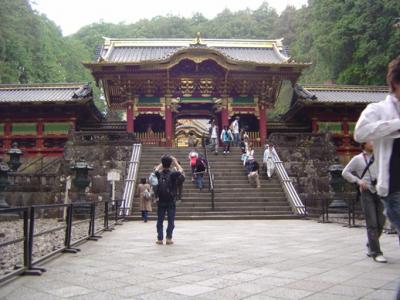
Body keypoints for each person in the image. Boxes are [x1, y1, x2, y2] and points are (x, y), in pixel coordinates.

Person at [354, 56, 400, 298]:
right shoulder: (379, 110)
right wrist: (395, 126)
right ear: (394, 83)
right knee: (374, 225)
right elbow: (359, 132)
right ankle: (374, 249)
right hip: (393, 190)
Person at [342, 142, 386, 263]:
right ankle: (376, 252)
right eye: (370, 141)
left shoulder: (380, 156)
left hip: (380, 190)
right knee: (371, 222)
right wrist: (358, 181)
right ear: (364, 144)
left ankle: (370, 244)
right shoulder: (358, 159)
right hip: (366, 191)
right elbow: (345, 172)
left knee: (381, 222)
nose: (373, 143)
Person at [154, 155, 183, 245]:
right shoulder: (173, 174)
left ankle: (159, 239)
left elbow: (155, 170)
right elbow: (181, 171)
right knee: (171, 221)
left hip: (161, 200)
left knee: (160, 220)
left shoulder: (159, 174)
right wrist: (175, 161)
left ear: (162, 164)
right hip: (171, 200)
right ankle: (169, 238)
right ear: (170, 164)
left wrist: (161, 164)